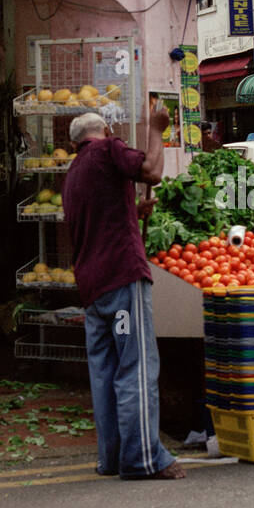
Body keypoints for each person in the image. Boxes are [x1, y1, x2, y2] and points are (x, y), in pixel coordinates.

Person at [62, 106, 184, 479]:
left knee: (105, 374)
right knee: (136, 369)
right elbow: (152, 171)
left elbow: (101, 216)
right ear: (105, 129)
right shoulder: (106, 149)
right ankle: (144, 459)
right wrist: (155, 129)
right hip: (120, 278)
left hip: (93, 287)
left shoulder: (74, 173)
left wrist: (133, 209)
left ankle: (112, 457)